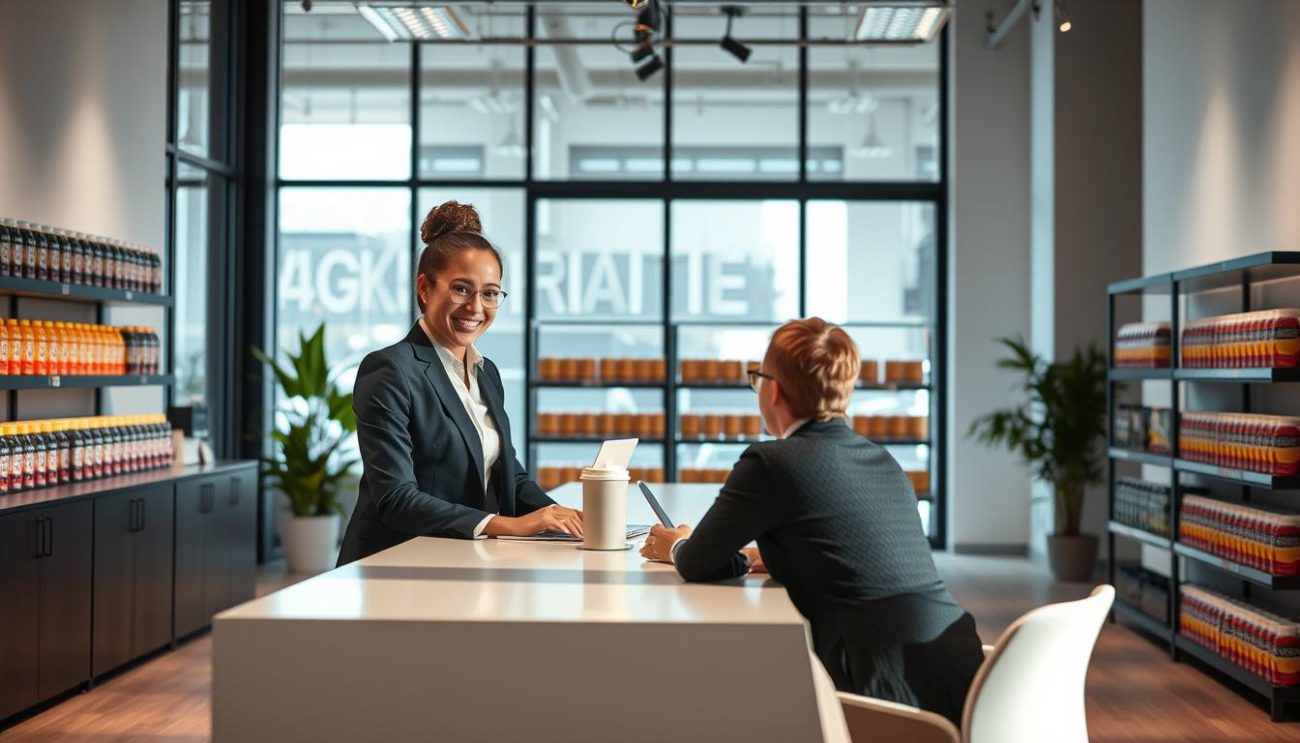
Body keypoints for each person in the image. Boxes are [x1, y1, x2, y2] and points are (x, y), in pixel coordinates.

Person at [640, 318, 984, 726]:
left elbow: (699, 562)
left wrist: (677, 543)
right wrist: (782, 557)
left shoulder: (771, 463)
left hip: (878, 692)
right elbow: (862, 558)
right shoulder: (883, 462)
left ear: (772, 388)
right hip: (966, 676)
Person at [338, 201, 583, 566]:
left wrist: (564, 517)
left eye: (490, 293)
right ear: (425, 289)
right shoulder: (389, 370)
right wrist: (509, 526)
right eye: (461, 289)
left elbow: (508, 475)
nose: (476, 307)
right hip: (394, 564)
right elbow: (396, 498)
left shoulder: (487, 372)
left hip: (460, 557)